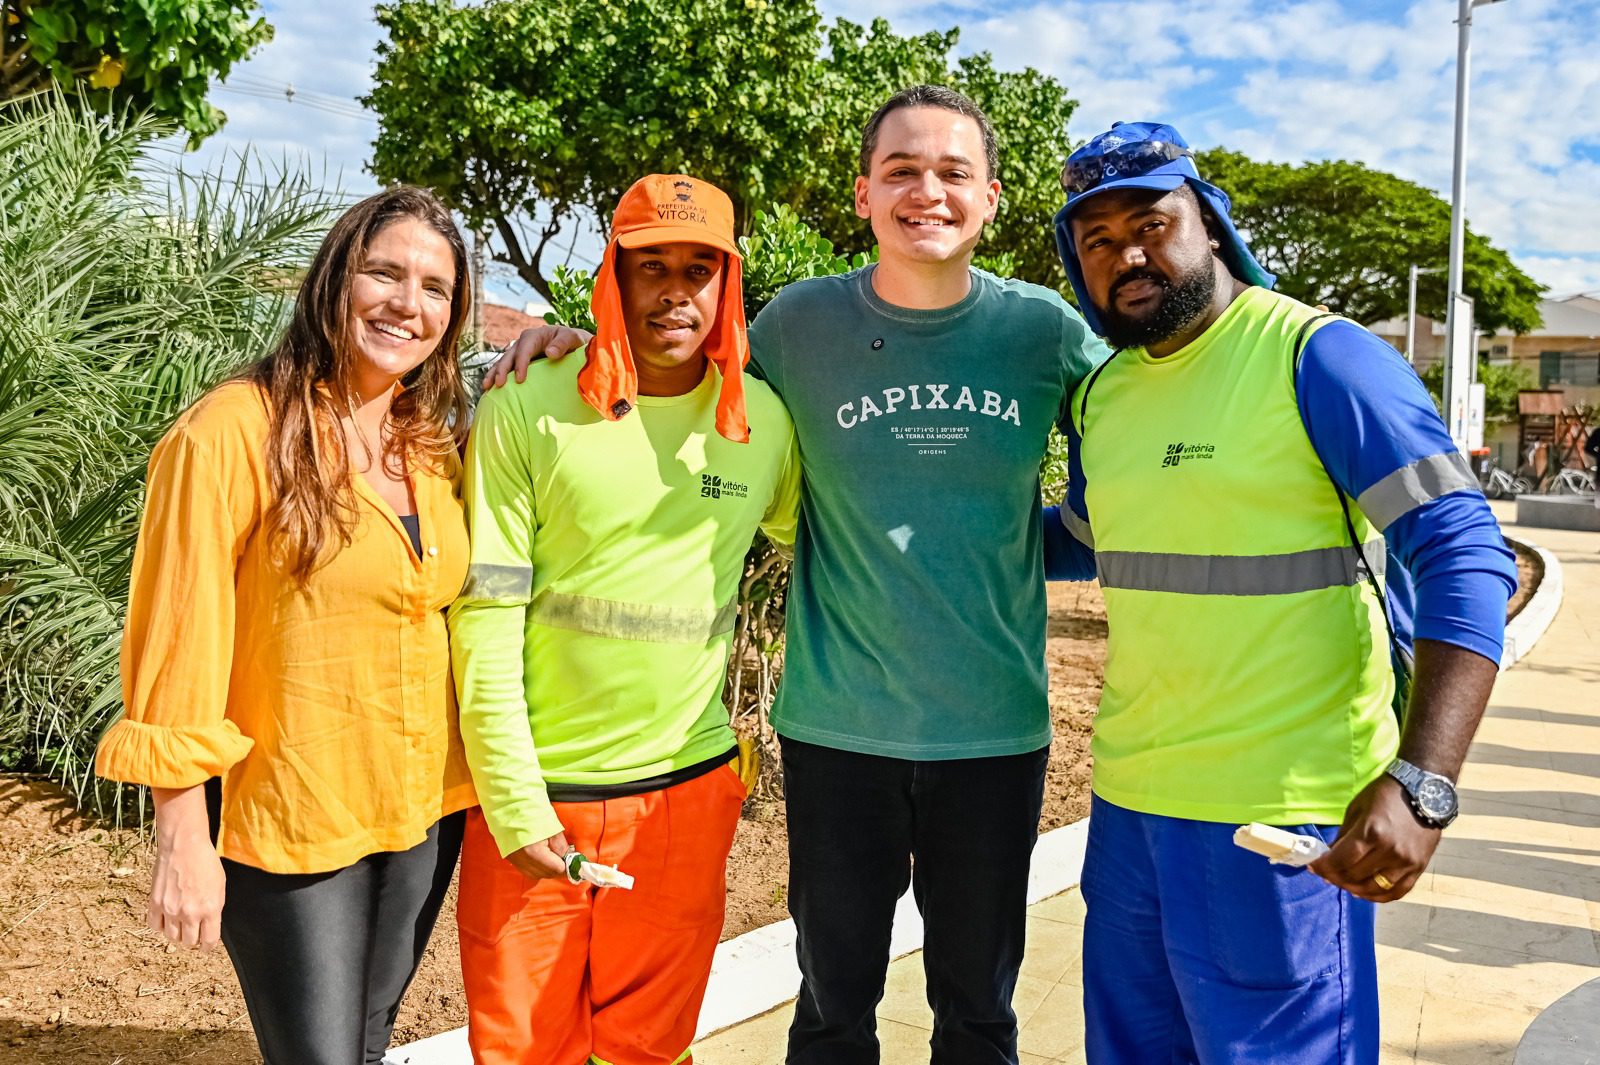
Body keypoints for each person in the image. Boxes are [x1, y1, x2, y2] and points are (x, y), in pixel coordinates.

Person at [490, 85, 1110, 1065]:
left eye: (952, 172)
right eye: (900, 170)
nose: (926, 191)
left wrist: (1034, 543)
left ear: (991, 197)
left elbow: (1123, 467)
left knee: (980, 1016)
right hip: (835, 734)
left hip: (992, 733)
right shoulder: (793, 328)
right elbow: (678, 374)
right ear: (864, 195)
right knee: (830, 1010)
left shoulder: (1047, 334)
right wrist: (570, 342)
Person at [1045, 121, 1518, 1064]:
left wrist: (1425, 783)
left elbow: (1463, 549)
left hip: (1280, 819)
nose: (1126, 254)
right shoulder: (1103, 396)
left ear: (1209, 224)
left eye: (1150, 221)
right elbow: (1079, 543)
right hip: (1133, 811)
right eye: (1095, 240)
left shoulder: (1317, 356)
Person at [95, 186, 477, 1065]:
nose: (405, 303)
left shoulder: (429, 443)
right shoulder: (233, 431)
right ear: (334, 278)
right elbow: (178, 634)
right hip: (296, 814)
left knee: (369, 1039)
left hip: (422, 806)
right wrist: (182, 831)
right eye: (383, 273)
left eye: (433, 288)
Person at [447, 173, 800, 1065]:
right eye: (651, 267)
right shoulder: (526, 402)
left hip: (686, 793)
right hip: (537, 798)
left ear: (728, 286)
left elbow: (838, 539)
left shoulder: (763, 422)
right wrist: (515, 800)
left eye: (699, 268)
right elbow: (484, 615)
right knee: (526, 1049)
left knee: (650, 1047)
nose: (675, 290)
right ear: (614, 274)